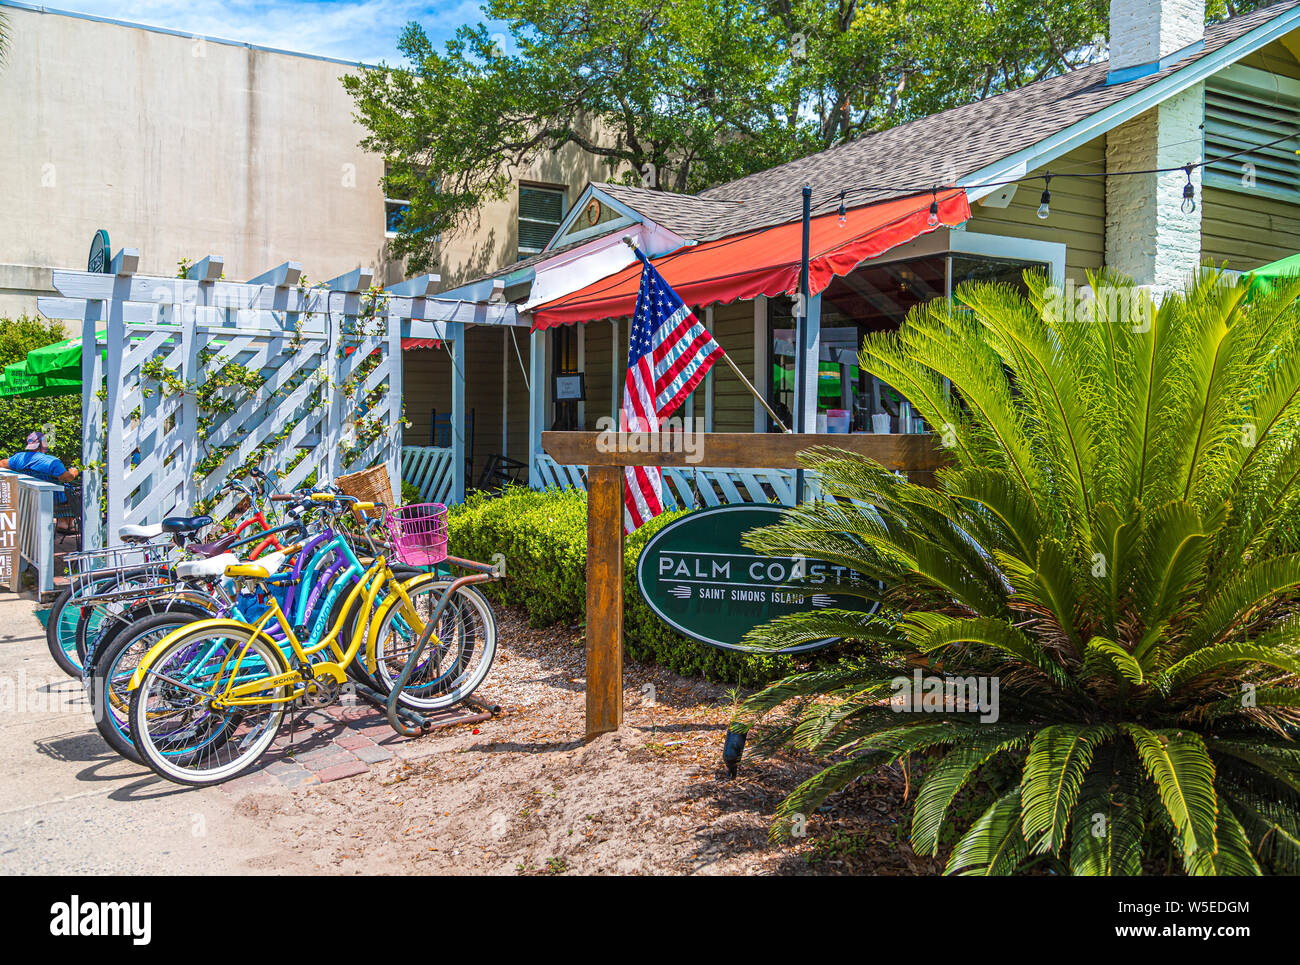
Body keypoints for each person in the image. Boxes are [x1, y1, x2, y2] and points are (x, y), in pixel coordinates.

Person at [0, 432, 79, 487]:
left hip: (26, 499)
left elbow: (2, 464)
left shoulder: (18, 457)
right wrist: (73, 473)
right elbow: (66, 478)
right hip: (52, 501)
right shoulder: (52, 462)